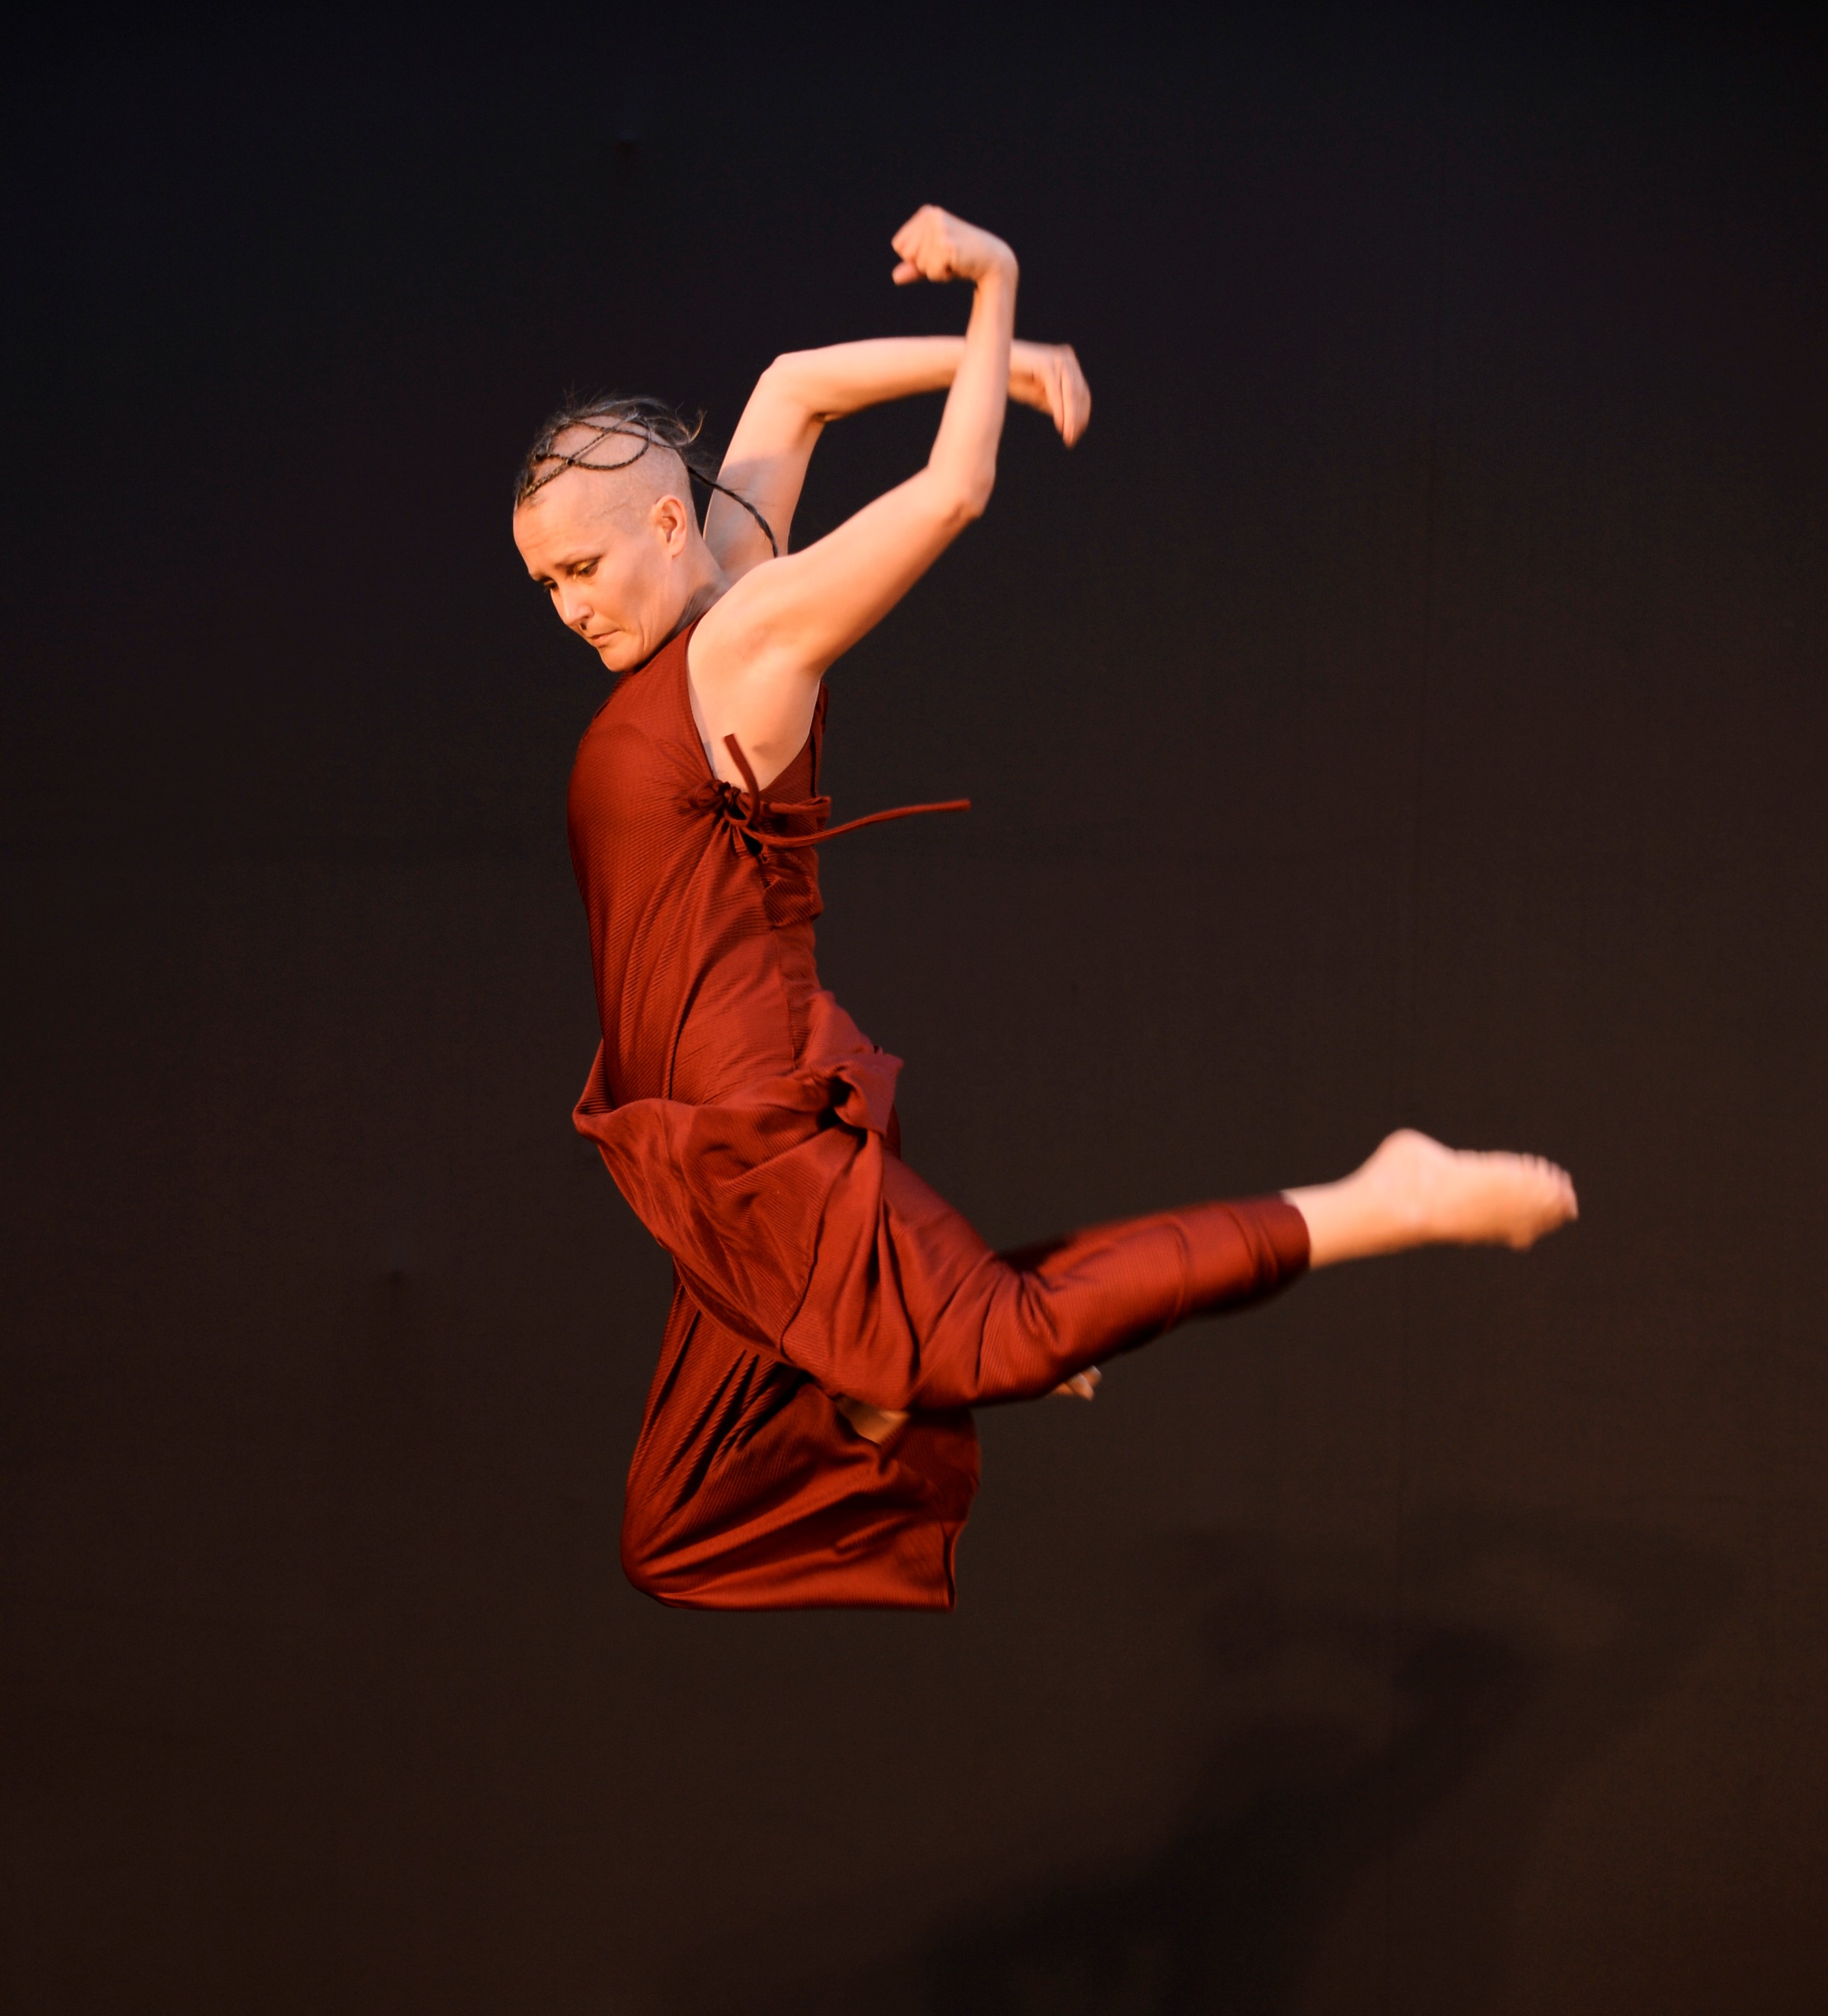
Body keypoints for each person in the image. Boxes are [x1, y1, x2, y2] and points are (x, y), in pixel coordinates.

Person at [512, 206, 1577, 1610]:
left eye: (578, 570)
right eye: (541, 585)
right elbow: (791, 384)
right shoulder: (715, 575)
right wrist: (997, 358)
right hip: (696, 1150)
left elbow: (950, 494)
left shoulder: (752, 636)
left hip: (753, 1125)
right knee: (669, 1528)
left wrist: (997, 289)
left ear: (660, 521)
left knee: (1007, 1331)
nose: (564, 609)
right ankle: (888, 1375)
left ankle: (1381, 1197)